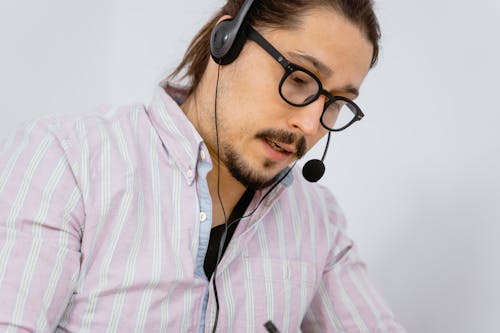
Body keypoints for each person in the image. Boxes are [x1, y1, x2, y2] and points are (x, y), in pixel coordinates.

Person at [0, 0, 406, 332]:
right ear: (226, 42)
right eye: (299, 78)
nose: (311, 125)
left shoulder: (318, 218)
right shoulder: (68, 159)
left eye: (336, 103)